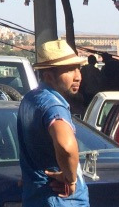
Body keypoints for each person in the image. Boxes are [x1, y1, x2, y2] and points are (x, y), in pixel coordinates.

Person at [18, 39, 90, 207]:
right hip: (61, 200)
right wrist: (70, 179)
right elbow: (66, 146)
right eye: (70, 70)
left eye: (78, 68)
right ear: (49, 76)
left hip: (36, 198)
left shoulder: (30, 99)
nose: (78, 76)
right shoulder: (54, 106)